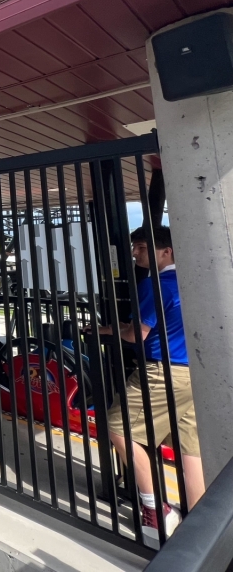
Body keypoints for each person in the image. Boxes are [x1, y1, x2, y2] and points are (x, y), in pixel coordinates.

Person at [90, 226, 204, 542]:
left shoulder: (156, 283)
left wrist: (107, 332)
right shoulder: (193, 280)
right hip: (194, 373)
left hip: (161, 373)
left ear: (165, 251)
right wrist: (110, 328)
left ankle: (157, 510)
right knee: (188, 448)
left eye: (141, 247)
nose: (135, 253)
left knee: (119, 427)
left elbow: (137, 333)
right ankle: (201, 520)